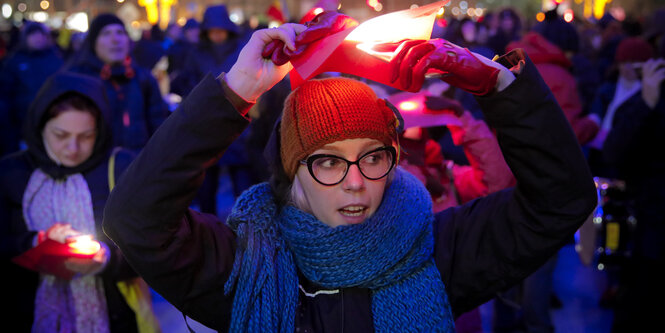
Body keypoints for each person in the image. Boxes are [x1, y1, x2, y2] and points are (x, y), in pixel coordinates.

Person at [102, 19, 597, 332]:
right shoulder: (246, 268)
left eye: (373, 157)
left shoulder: (439, 251)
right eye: (329, 161)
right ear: (293, 171)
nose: (356, 182)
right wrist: (234, 91)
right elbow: (135, 220)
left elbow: (561, 201)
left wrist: (498, 85)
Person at [0, 72, 158, 332]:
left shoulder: (121, 169)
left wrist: (106, 259)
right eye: (60, 135)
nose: (72, 148)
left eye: (86, 136)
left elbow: (150, 248)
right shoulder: (12, 173)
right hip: (27, 311)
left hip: (114, 315)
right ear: (40, 127)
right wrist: (35, 243)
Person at [588, 37, 665, 332]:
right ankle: (614, 286)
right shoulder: (637, 98)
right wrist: (645, 103)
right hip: (646, 222)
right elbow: (614, 149)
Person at [65, 13, 170, 153]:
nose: (115, 40)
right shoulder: (77, 79)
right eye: (106, 33)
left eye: (120, 32)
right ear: (93, 42)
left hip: (139, 166)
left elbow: (159, 126)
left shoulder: (144, 78)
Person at [0, 21, 63, 156]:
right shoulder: (14, 62)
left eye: (41, 34)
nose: (37, 38)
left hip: (54, 120)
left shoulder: (56, 58)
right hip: (22, 125)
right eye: (33, 34)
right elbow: (5, 95)